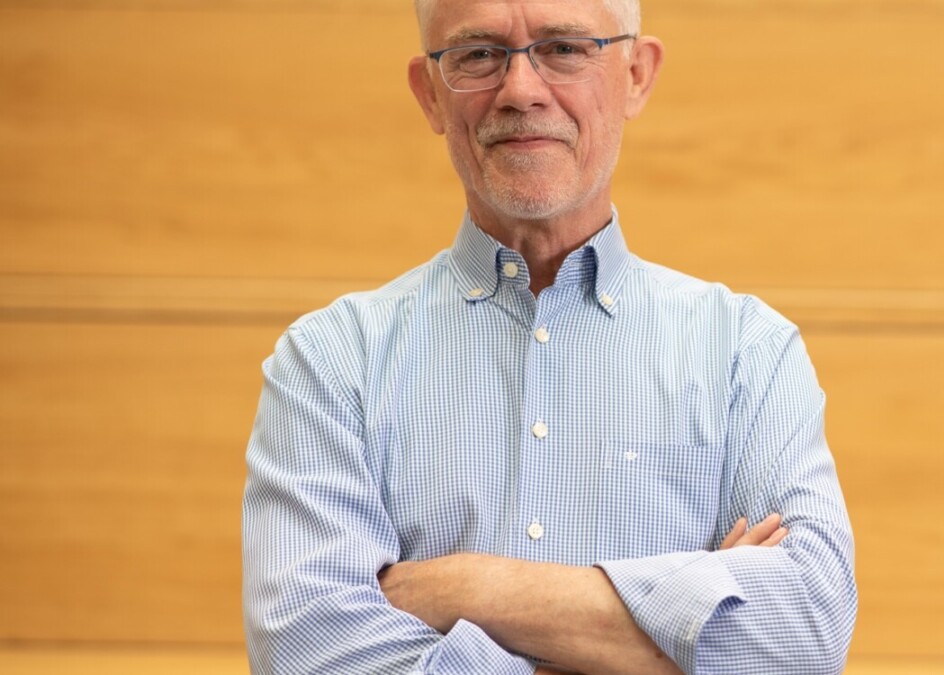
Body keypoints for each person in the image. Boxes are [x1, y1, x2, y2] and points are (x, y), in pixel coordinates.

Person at [241, 0, 857, 672]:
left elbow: (805, 638)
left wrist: (469, 588)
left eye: (564, 48)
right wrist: (674, 637)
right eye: (478, 53)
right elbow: (309, 653)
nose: (521, 90)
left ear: (636, 75)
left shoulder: (748, 353)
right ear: (430, 95)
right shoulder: (331, 363)